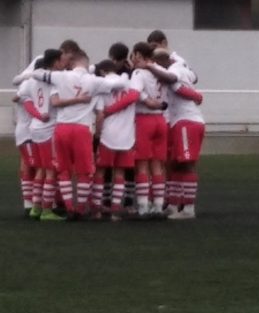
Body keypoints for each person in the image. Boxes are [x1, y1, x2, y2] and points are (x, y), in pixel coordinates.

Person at [29, 51, 130, 219]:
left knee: (63, 171)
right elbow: (119, 84)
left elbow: (36, 73)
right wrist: (126, 73)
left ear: (72, 62)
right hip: (82, 130)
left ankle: (68, 208)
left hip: (61, 129)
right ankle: (80, 209)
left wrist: (53, 74)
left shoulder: (60, 77)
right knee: (84, 172)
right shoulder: (94, 81)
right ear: (85, 63)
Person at [145, 49, 206, 220]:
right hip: (182, 121)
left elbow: (174, 82)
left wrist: (149, 66)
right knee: (176, 164)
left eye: (155, 62)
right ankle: (173, 205)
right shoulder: (182, 67)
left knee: (186, 164)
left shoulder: (173, 71)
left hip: (187, 121)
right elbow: (194, 78)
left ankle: (188, 208)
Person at [17, 49, 65, 221]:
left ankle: (35, 208)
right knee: (51, 170)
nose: (63, 64)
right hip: (48, 129)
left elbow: (21, 98)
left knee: (40, 170)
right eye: (61, 61)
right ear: (55, 62)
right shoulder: (53, 81)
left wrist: (37, 115)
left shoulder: (31, 81)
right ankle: (46, 210)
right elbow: (55, 102)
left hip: (34, 129)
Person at [90, 59, 141, 220]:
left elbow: (99, 114)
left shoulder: (102, 87)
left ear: (103, 72)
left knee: (100, 170)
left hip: (107, 135)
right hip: (127, 136)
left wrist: (96, 135)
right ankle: (115, 211)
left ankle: (98, 210)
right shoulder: (129, 85)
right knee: (120, 172)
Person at [129, 42, 170, 216]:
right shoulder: (161, 71)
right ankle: (158, 205)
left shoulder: (139, 73)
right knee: (157, 164)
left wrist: (147, 100)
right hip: (161, 120)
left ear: (138, 54)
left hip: (144, 119)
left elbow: (134, 93)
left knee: (142, 164)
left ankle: (143, 205)